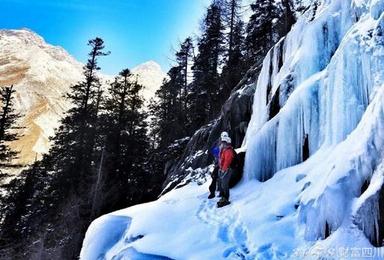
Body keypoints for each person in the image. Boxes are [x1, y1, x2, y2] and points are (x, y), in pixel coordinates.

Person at [208, 131, 229, 199]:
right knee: (216, 178)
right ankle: (215, 192)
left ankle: (218, 192)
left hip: (222, 164)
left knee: (218, 178)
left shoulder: (224, 144)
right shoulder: (220, 144)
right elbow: (214, 151)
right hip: (220, 164)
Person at [217, 135, 234, 208]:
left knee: (225, 184)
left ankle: (226, 198)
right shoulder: (225, 150)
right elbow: (222, 160)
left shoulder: (228, 151)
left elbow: (227, 161)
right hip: (224, 169)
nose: (222, 144)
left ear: (227, 143)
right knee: (223, 184)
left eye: (224, 142)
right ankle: (224, 197)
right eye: (222, 142)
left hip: (227, 169)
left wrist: (223, 169)